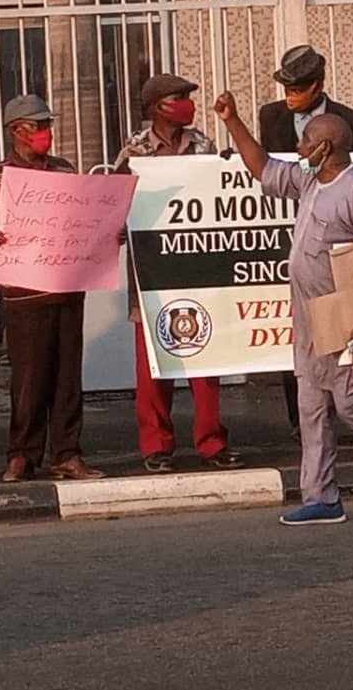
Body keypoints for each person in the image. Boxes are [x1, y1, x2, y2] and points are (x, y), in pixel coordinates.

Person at [214, 91, 353, 525]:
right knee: (312, 406)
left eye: (305, 143)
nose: (299, 150)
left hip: (345, 317)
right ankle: (322, 497)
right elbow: (263, 168)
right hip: (309, 315)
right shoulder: (309, 181)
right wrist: (233, 121)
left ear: (326, 147)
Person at [116, 74, 244, 473]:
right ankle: (156, 445)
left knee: (206, 359)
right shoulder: (134, 152)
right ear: (157, 106)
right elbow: (115, 206)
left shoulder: (203, 146)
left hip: (197, 269)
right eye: (180, 97)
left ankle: (211, 442)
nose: (188, 103)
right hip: (151, 275)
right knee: (153, 365)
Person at [0, 95, 104, 482]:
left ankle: (67, 452)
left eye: (48, 124)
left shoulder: (66, 171)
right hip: (23, 295)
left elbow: (84, 223)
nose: (46, 133)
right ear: (17, 130)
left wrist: (106, 233)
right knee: (28, 381)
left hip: (67, 290)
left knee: (68, 379)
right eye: (39, 125)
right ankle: (22, 454)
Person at [258, 45, 353, 436]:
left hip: (335, 241)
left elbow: (351, 179)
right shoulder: (270, 116)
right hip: (288, 233)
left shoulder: (350, 121)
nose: (290, 96)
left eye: (298, 88)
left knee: (340, 327)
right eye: (285, 87)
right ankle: (300, 419)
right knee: (301, 335)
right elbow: (266, 167)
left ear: (318, 85)